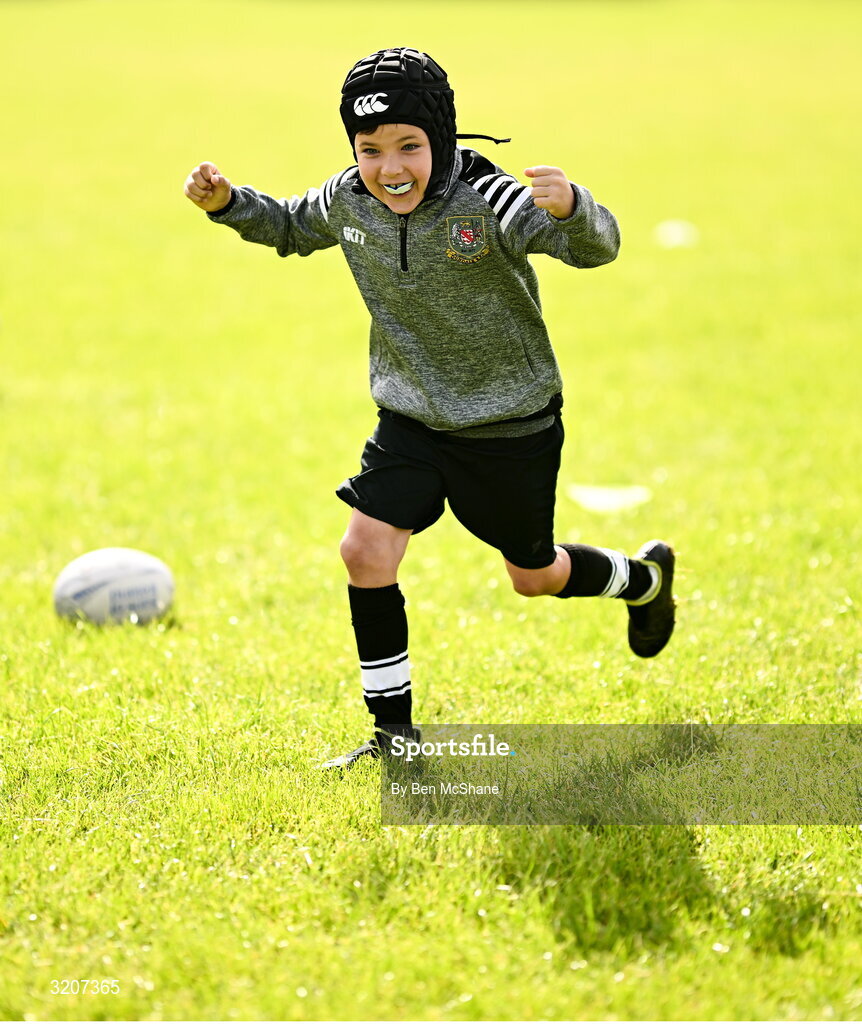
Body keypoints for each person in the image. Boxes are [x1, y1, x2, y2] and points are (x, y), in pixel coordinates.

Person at [183, 47, 676, 769]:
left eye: (409, 147)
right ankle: (395, 740)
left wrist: (575, 207)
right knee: (364, 550)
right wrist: (228, 204)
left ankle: (645, 580)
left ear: (441, 140)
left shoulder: (492, 200)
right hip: (411, 419)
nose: (390, 168)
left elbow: (596, 249)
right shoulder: (348, 198)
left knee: (533, 576)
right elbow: (289, 225)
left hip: (509, 424)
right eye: (370, 148)